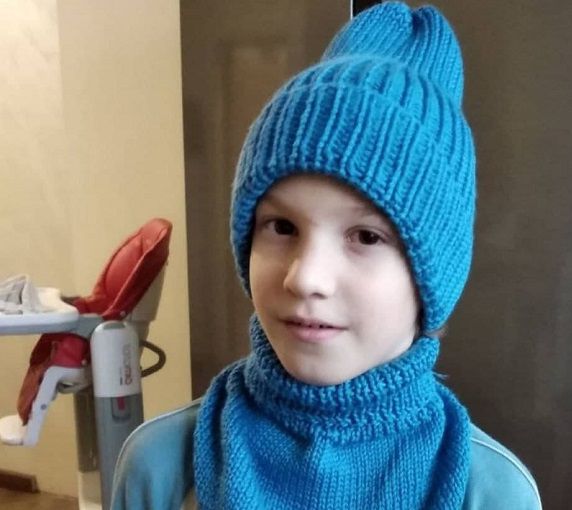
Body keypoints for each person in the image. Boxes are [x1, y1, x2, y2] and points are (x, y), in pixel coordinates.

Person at [111, 3, 541, 509]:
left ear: (432, 277)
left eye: (366, 237)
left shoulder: (492, 492)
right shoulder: (161, 466)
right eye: (282, 227)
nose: (305, 277)